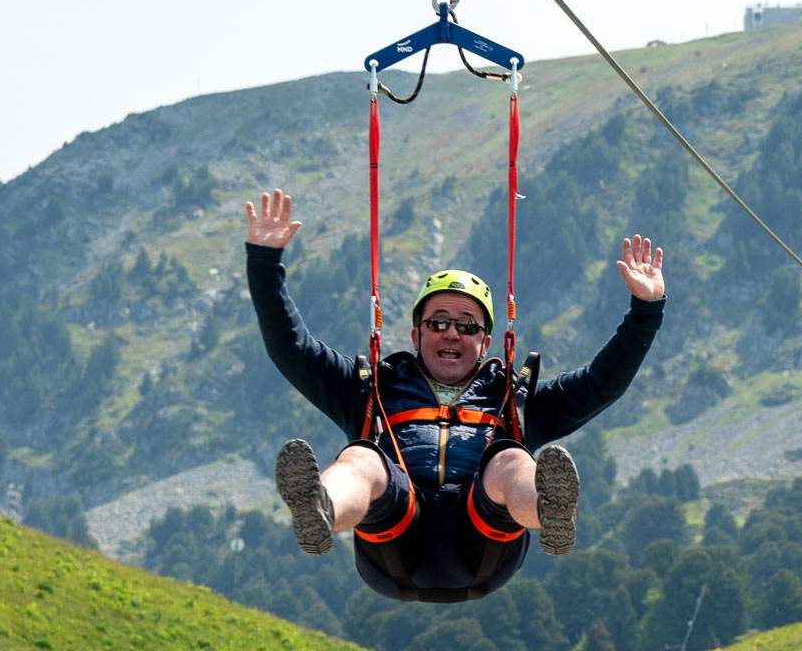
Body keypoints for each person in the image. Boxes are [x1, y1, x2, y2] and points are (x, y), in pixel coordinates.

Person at [245, 188, 665, 603]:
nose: (451, 332)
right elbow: (292, 349)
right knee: (362, 457)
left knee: (511, 458)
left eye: (467, 326)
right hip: (394, 542)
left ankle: (550, 512)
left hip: (482, 545)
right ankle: (319, 509)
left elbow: (601, 383)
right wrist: (265, 263)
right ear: (416, 334)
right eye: (438, 321)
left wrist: (646, 310)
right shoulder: (370, 389)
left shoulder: (516, 402)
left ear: (485, 344)